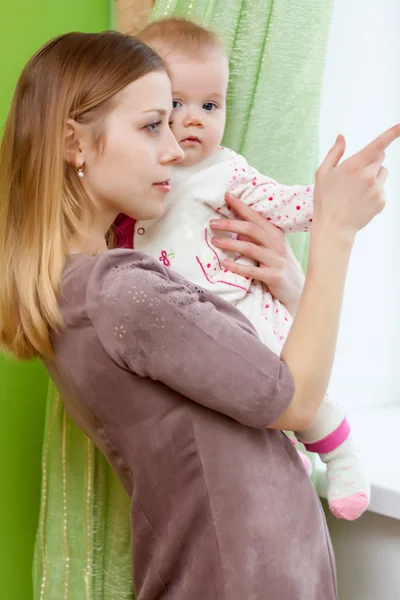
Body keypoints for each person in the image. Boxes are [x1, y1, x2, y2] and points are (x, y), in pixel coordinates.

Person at [0, 30, 396, 599]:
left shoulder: (93, 286)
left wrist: (288, 285)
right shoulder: (120, 293)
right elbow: (293, 398)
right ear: (75, 144)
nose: (173, 148)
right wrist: (335, 229)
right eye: (151, 125)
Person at [133, 17, 367, 519]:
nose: (193, 119)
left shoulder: (224, 171)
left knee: (281, 382)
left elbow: (280, 203)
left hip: (243, 313)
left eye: (210, 105)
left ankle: (341, 451)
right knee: (230, 408)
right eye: (176, 104)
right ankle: (285, 456)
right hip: (190, 330)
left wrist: (328, 200)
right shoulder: (137, 179)